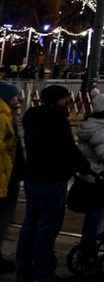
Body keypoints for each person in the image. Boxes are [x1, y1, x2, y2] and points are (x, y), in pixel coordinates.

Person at [15, 84, 89, 282]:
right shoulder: (58, 120)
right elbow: (68, 148)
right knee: (48, 226)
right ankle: (43, 272)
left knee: (30, 222)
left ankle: (22, 266)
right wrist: (84, 166)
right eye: (65, 98)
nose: (68, 102)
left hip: (33, 176)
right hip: (53, 178)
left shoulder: (31, 116)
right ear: (58, 100)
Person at [76, 91, 104, 255]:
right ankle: (89, 248)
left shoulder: (89, 124)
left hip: (88, 175)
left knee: (92, 214)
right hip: (98, 176)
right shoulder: (101, 130)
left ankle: (86, 244)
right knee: (97, 214)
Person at [0, 83, 25, 275]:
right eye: (16, 97)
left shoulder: (7, 115)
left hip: (7, 177)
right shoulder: (2, 117)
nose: (19, 100)